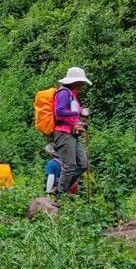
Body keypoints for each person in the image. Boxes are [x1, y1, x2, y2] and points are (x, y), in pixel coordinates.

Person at [47, 66, 91, 195]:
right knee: (70, 167)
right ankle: (59, 194)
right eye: (81, 82)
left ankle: (60, 190)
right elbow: (59, 111)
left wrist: (80, 122)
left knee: (83, 164)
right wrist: (78, 111)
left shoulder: (72, 95)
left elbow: (71, 117)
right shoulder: (64, 93)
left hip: (72, 133)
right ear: (74, 81)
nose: (82, 85)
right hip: (63, 133)